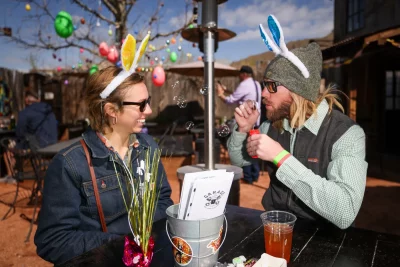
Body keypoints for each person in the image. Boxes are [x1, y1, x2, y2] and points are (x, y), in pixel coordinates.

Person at [227, 15, 367, 229]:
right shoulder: (271, 126)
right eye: (264, 85)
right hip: (275, 231)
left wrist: (281, 157)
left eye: (271, 86)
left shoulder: (347, 134)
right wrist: (243, 130)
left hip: (324, 240)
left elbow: (345, 210)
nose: (263, 94)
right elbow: (240, 161)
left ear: (297, 90)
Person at [34, 65, 174, 264]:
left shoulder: (148, 147)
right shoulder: (70, 164)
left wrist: (147, 238)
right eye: (141, 104)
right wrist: (122, 245)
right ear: (111, 110)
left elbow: (163, 200)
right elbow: (53, 240)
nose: (149, 110)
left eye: (148, 101)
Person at [217, 65, 262, 184]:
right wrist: (226, 90)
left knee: (245, 149)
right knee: (253, 149)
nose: (238, 76)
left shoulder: (244, 84)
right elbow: (242, 97)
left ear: (244, 74)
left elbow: (230, 100)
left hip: (247, 122)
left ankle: (247, 177)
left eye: (240, 74)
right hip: (256, 122)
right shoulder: (256, 84)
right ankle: (255, 175)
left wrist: (220, 94)